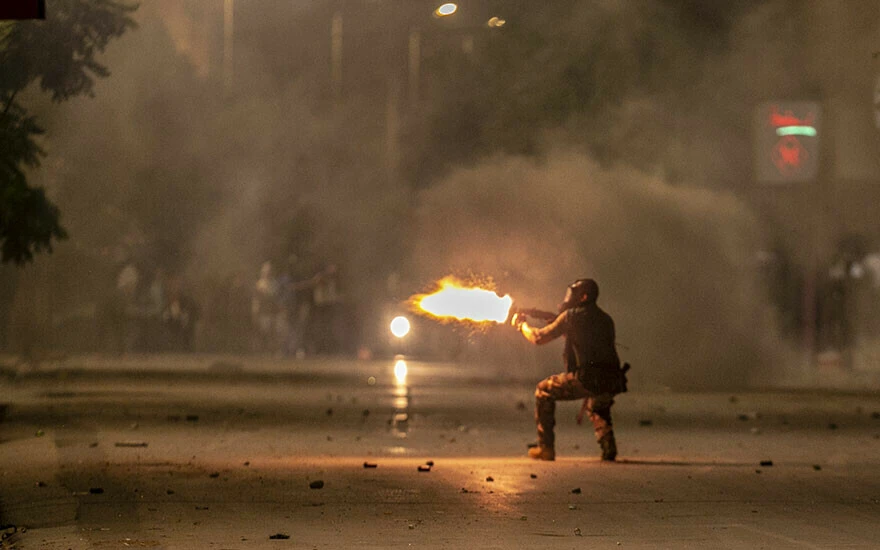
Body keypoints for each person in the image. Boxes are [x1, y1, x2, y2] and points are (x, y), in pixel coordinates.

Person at [511, 278, 624, 462]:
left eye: (573, 293)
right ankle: (608, 448)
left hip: (588, 378)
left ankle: (545, 448)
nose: (568, 297)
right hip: (612, 380)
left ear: (584, 296)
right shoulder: (605, 319)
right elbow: (587, 336)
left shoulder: (571, 317)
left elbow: (539, 337)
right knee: (598, 407)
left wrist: (522, 325)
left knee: (543, 390)